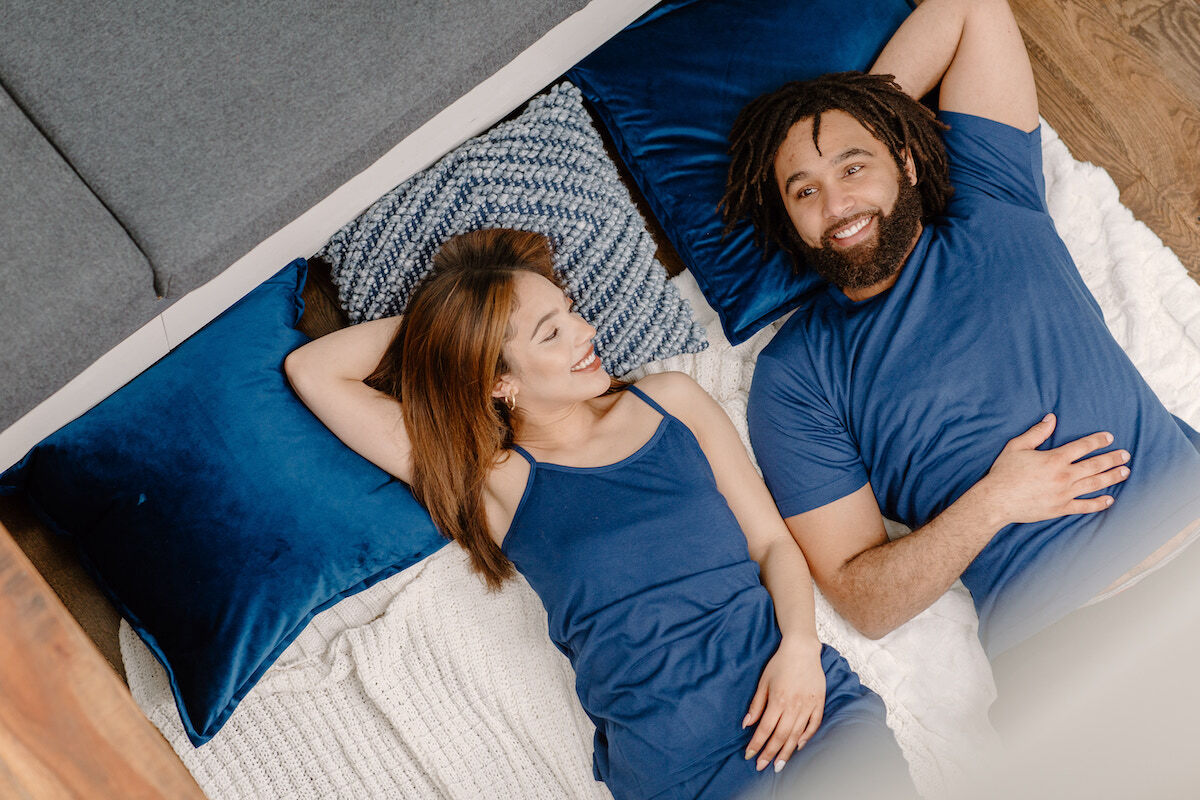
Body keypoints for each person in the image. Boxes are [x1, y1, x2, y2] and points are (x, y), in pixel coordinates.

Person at [284, 228, 916, 800]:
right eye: (550, 333)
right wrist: (454, 328)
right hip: (679, 772)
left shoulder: (672, 399)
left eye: (571, 312)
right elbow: (313, 371)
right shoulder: (492, 481)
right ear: (495, 380)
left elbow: (773, 545)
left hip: (806, 707)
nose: (586, 331)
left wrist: (802, 651)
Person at [722, 0, 1200, 656]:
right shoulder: (796, 375)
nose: (837, 205)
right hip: (1075, 641)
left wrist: (862, 106)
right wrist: (995, 501)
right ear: (788, 220)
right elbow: (863, 600)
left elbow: (972, 9)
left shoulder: (992, 201)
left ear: (908, 162)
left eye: (854, 166)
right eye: (804, 191)